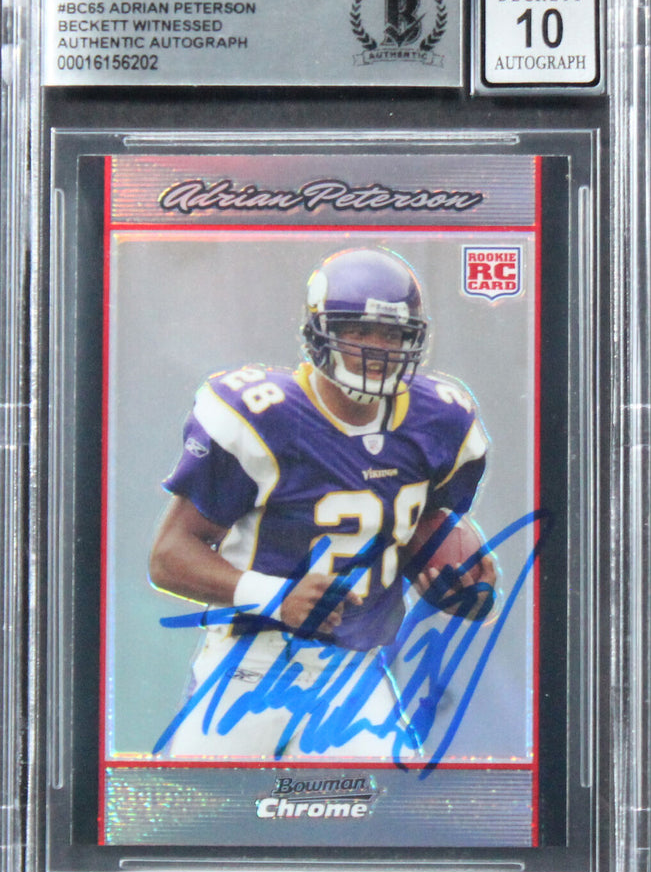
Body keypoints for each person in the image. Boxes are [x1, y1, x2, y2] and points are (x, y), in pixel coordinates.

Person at [148, 247, 496, 761]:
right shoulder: (263, 416)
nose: (377, 350)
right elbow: (169, 556)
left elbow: (424, 525)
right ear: (320, 332)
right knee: (207, 803)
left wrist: (459, 579)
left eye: (392, 334)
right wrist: (276, 596)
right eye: (359, 331)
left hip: (354, 670)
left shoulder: (440, 421)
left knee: (385, 805)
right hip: (249, 661)